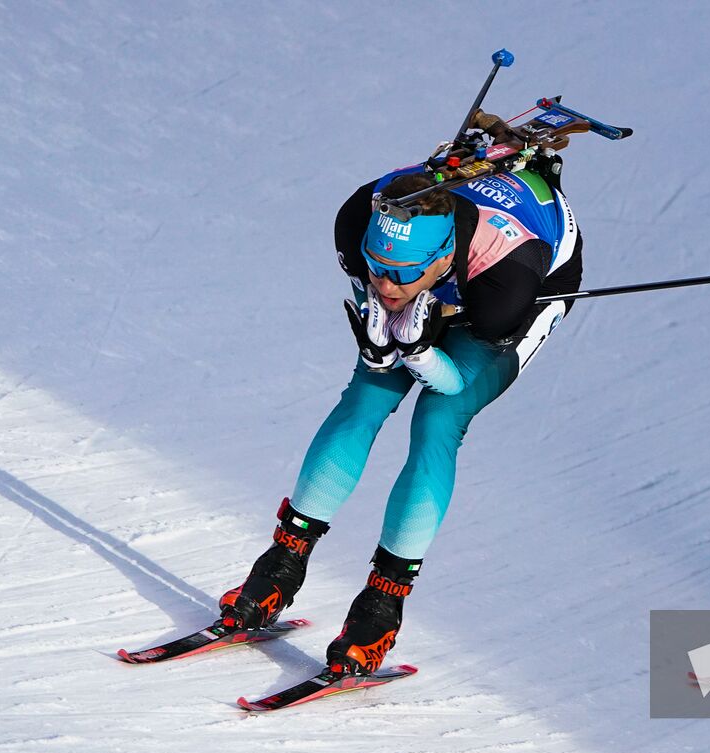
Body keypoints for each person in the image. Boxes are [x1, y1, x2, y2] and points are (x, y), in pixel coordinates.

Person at [217, 165, 581, 676]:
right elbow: (385, 311)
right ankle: (283, 561)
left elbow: (452, 385)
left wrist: (417, 347)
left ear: (443, 257)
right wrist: (387, 343)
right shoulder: (356, 220)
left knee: (439, 420)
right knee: (367, 393)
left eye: (402, 274)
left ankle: (381, 606)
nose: (386, 285)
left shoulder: (506, 277)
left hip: (503, 295)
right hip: (452, 277)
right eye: (376, 267)